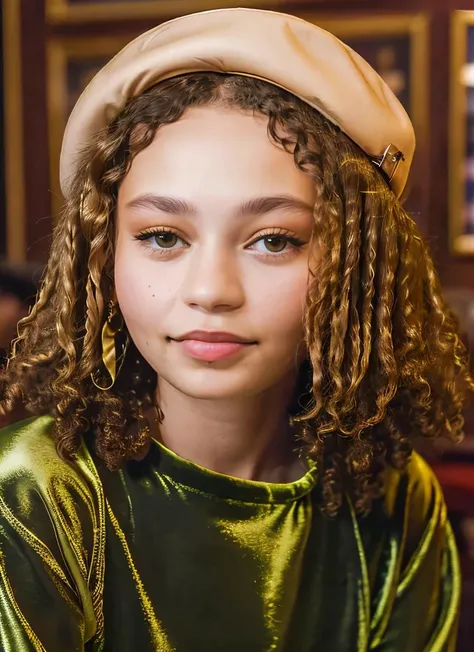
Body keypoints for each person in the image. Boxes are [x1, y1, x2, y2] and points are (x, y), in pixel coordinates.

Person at [0, 8, 472, 651]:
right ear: (104, 252)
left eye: (273, 241)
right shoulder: (34, 492)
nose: (210, 291)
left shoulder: (396, 503)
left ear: (360, 264)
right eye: (163, 236)